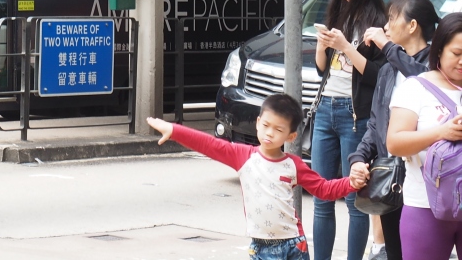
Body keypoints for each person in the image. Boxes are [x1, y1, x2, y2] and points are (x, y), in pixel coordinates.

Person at [148, 94, 363, 260]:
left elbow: (323, 189)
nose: (269, 133)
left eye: (278, 129)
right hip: (261, 247)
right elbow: (210, 145)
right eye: (266, 125)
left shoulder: (293, 164)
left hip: (294, 245)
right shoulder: (243, 156)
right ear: (258, 122)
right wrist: (174, 130)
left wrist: (351, 183)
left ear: (291, 136)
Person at [348, 0, 440, 260]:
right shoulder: (388, 70)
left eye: (392, 19)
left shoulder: (435, 67)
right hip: (392, 179)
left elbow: (424, 81)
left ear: (412, 26)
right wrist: (359, 158)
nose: (385, 27)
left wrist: (386, 45)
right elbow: (375, 124)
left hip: (426, 180)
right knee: (395, 253)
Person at [311, 0, 388, 260]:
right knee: (321, 196)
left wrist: (345, 46)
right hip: (325, 109)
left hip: (355, 116)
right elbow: (323, 69)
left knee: (356, 201)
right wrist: (322, 46)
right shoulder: (337, 11)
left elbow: (377, 75)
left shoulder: (378, 22)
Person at [386, 11, 462, 260]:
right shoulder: (416, 88)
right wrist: (441, 132)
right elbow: (395, 143)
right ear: (439, 50)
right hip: (424, 205)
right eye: (457, 53)